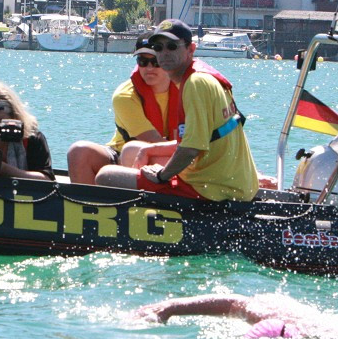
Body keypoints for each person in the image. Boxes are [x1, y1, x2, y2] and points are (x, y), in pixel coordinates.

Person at [96, 19, 258, 202]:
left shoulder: (195, 84)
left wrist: (161, 176)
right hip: (235, 186)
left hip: (211, 190)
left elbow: (191, 149)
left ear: (191, 49)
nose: (164, 53)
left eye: (172, 46)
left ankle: (127, 227)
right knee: (135, 152)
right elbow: (202, 140)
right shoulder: (204, 78)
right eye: (158, 47)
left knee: (106, 176)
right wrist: (150, 151)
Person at [66, 35, 183, 184]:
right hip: (124, 154)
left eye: (155, 61)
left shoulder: (189, 90)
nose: (149, 68)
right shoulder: (125, 96)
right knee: (79, 152)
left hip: (174, 155)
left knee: (135, 151)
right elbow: (153, 142)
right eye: (142, 61)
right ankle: (88, 204)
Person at [135, 294, 323, 339]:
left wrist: (169, 308)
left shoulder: (293, 322)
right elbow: (236, 303)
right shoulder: (278, 312)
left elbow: (236, 303)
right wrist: (169, 307)